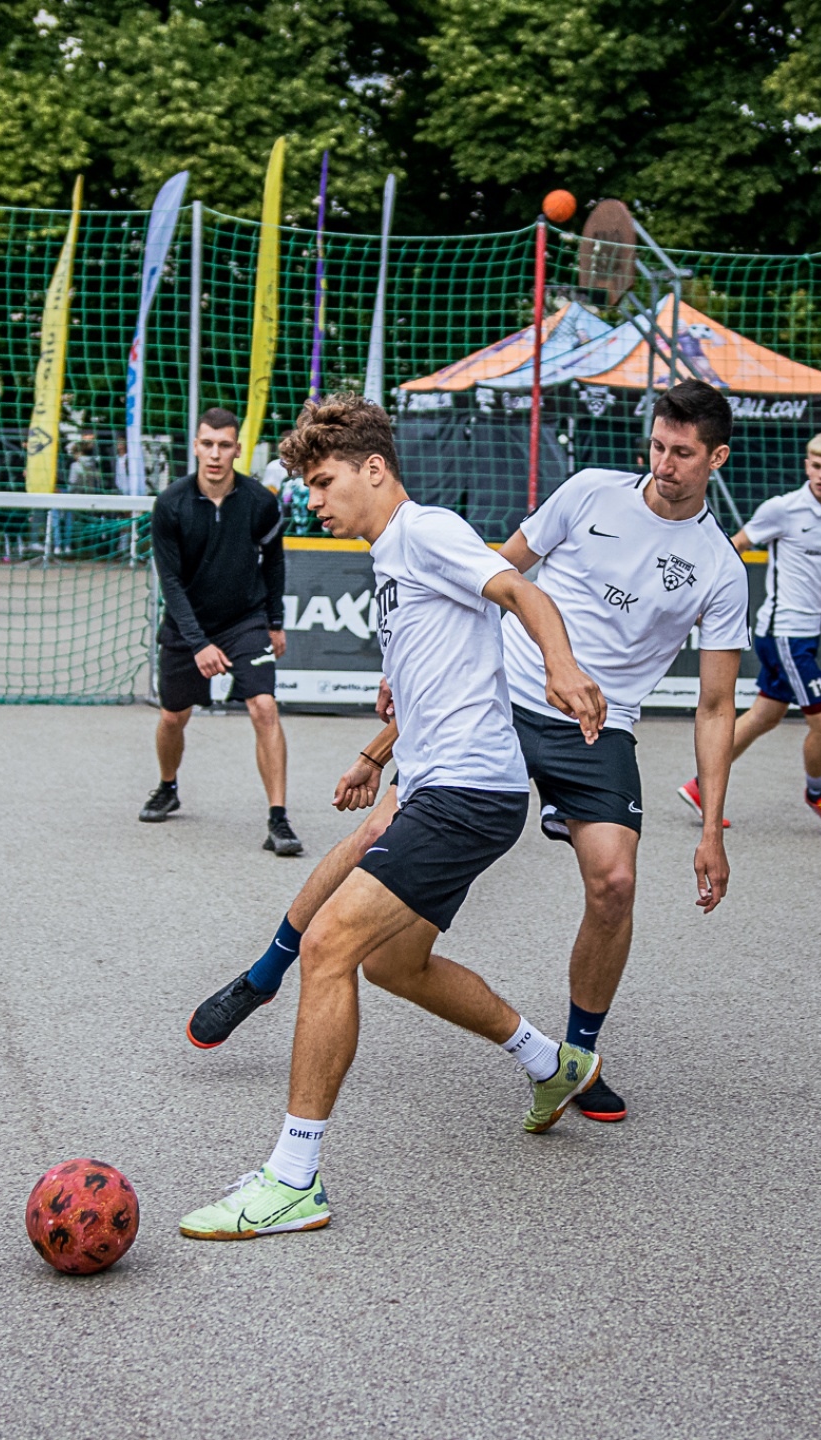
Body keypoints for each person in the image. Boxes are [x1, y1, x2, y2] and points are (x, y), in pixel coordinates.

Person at [185, 379, 749, 1126]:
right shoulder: (589, 493)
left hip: (596, 722)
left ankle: (574, 1058)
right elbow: (493, 582)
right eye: (656, 446)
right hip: (508, 688)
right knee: (377, 833)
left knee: (614, 881)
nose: (664, 465)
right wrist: (380, 745)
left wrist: (711, 829)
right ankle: (264, 973)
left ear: (717, 458)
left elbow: (715, 707)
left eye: (681, 454)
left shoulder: (719, 567)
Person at [175, 393, 607, 1243]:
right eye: (308, 488)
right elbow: (438, 681)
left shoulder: (424, 530)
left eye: (324, 483)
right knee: (393, 966)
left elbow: (520, 591)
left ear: (373, 469)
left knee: (329, 948)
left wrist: (561, 668)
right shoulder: (391, 559)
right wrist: (377, 753)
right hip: (448, 788)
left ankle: (292, 1180)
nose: (314, 501)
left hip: (467, 794)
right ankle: (551, 1063)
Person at [680, 430, 821, 834]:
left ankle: (699, 787)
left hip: (806, 632)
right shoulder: (783, 509)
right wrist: (703, 598)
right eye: (816, 466)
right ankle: (817, 793)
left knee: (765, 716)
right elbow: (735, 545)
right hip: (783, 632)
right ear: (806, 466)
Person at [143, 408, 298, 854]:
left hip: (244, 621)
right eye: (207, 444)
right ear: (195, 446)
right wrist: (198, 644)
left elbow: (274, 564)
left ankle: (279, 820)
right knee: (173, 717)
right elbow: (170, 583)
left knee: (264, 707)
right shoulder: (170, 504)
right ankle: (168, 786)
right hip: (187, 624)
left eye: (224, 445)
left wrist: (274, 622)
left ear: (237, 449)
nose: (215, 454)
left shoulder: (260, 501)